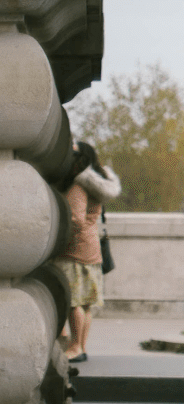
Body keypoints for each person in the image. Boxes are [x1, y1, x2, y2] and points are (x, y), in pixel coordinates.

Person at [56, 143, 117, 363]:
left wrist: (60, 241)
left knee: (74, 302)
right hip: (91, 248)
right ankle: (81, 345)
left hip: (75, 250)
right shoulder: (95, 185)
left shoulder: (79, 186)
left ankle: (75, 347)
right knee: (85, 304)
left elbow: (76, 220)